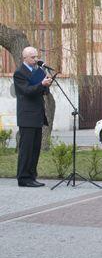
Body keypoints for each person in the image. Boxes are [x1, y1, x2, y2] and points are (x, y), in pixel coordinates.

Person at [14, 46, 52, 187]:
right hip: (27, 117)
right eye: (33, 57)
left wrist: (47, 84)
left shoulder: (39, 71)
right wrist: (41, 84)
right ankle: (23, 178)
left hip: (38, 115)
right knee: (27, 149)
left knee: (35, 149)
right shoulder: (19, 73)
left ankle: (32, 176)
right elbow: (26, 91)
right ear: (25, 58)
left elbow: (43, 92)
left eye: (37, 56)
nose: (36, 59)